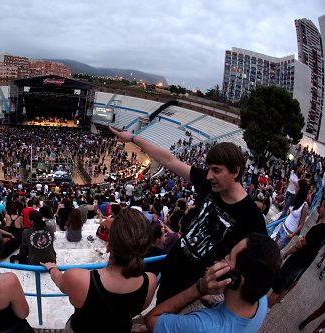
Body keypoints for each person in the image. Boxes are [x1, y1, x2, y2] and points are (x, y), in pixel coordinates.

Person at [110, 127, 267, 303]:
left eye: (216, 170)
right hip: (173, 268)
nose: (208, 176)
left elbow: (261, 268)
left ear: (235, 171)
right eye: (208, 169)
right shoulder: (210, 185)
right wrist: (132, 137)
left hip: (194, 289)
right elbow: (169, 160)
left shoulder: (252, 218)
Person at [41, 208, 157, 333]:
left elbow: (59, 280)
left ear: (108, 246)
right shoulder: (151, 281)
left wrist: (52, 268)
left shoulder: (77, 278)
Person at [145, 233, 281, 333]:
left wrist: (199, 288)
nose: (223, 258)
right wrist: (211, 302)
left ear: (236, 280)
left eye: (229, 257)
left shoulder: (200, 326)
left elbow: (151, 320)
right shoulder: (260, 301)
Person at [268, 200, 325, 308]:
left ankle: (263, 309)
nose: (320, 209)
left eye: (322, 207)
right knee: (286, 286)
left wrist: (286, 253)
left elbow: (299, 245)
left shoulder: (316, 229)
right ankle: (270, 307)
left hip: (297, 260)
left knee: (277, 288)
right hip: (305, 263)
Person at [273, 179, 309, 249]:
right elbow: (290, 212)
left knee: (276, 250)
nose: (295, 188)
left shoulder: (305, 206)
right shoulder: (296, 199)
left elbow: (301, 224)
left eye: (297, 187)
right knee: (273, 246)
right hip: (283, 225)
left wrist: (292, 235)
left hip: (288, 232)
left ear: (301, 190)